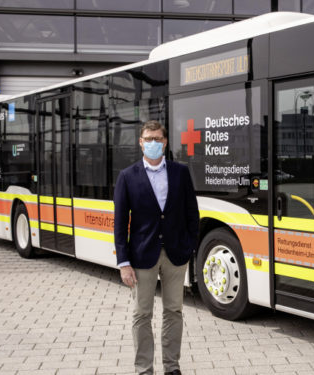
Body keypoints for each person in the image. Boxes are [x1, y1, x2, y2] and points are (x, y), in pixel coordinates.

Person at [114, 120, 199, 375]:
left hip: (175, 256)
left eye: (157, 139)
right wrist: (123, 262)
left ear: (165, 142)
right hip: (141, 257)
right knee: (142, 314)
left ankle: (172, 367)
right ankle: (144, 369)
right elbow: (120, 223)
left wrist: (189, 247)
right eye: (148, 139)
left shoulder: (180, 172)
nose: (153, 143)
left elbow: (191, 214)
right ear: (140, 142)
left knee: (174, 311)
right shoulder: (128, 176)